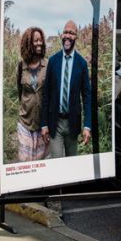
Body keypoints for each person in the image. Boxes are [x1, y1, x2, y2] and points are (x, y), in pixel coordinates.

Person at [40, 20, 92, 158]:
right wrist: (44, 124)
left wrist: (87, 126)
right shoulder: (53, 61)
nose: (67, 35)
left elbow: (87, 96)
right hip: (55, 122)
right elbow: (46, 95)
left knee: (71, 163)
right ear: (62, 35)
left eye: (71, 33)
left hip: (72, 123)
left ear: (76, 37)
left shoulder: (81, 64)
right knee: (57, 162)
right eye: (65, 32)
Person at [15, 26, 48, 161]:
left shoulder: (48, 65)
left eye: (41, 40)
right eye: (35, 40)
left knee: (41, 160)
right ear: (28, 43)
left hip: (43, 122)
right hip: (25, 121)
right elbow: (20, 91)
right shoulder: (20, 66)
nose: (39, 43)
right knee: (25, 161)